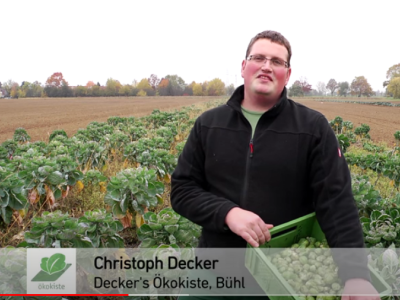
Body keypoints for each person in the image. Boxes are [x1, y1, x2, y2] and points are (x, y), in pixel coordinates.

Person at [171, 30, 379, 300]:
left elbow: (336, 201)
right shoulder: (209, 124)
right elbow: (182, 190)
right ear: (244, 67)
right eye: (258, 57)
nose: (267, 66)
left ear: (287, 74)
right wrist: (228, 213)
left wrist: (355, 275)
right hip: (212, 272)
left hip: (280, 279)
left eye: (277, 61)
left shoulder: (312, 128)